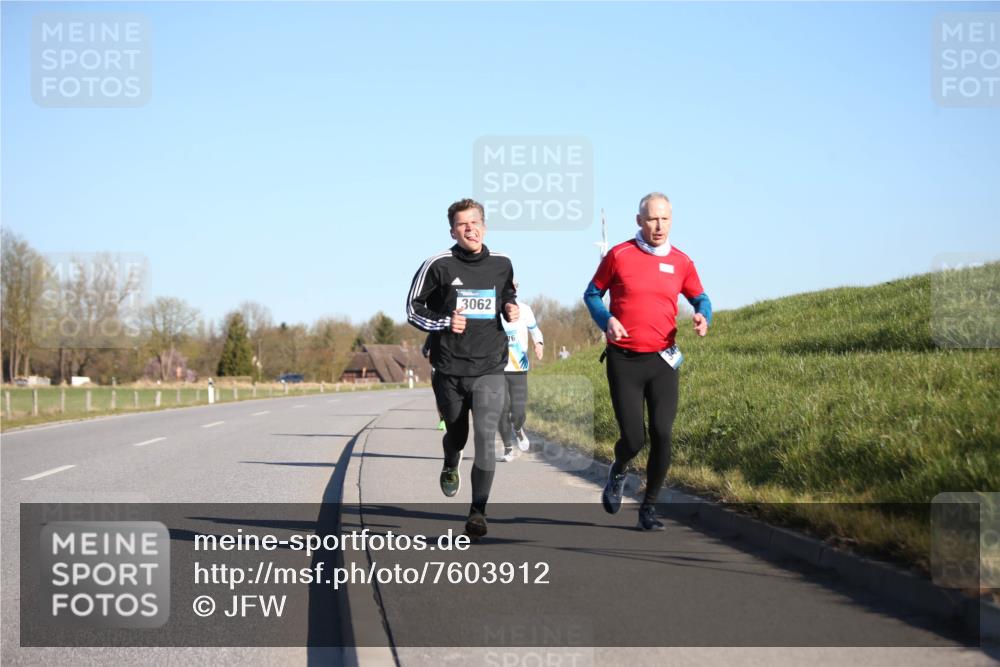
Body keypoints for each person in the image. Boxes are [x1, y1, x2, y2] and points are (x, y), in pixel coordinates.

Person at [583, 192, 712, 531]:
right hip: (624, 360)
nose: (659, 225)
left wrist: (703, 315)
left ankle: (649, 508)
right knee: (634, 439)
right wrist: (606, 320)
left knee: (663, 433)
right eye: (652, 218)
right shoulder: (619, 255)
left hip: (663, 361)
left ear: (671, 220)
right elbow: (592, 293)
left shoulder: (682, 262)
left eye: (665, 219)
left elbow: (701, 297)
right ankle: (619, 468)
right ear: (639, 220)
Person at [406, 198, 518, 539]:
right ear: (453, 231)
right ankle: (451, 460)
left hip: (490, 365)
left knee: (485, 437)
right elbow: (412, 308)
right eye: (462, 224)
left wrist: (510, 307)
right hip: (450, 368)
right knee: (458, 434)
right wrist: (444, 321)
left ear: (484, 226)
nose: (470, 229)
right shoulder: (437, 265)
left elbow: (506, 293)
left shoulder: (502, 263)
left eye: (475, 222)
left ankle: (477, 513)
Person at [497, 282, 544, 462]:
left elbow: (535, 330)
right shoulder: (493, 311)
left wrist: (539, 343)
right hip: (497, 368)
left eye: (512, 287)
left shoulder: (524, 310)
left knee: (518, 412)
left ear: (516, 290)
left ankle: (518, 429)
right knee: (501, 410)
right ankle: (508, 448)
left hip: (518, 368)